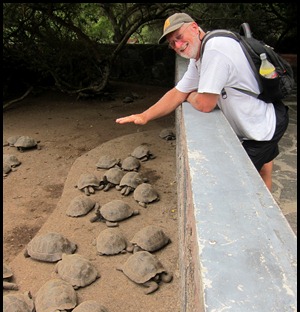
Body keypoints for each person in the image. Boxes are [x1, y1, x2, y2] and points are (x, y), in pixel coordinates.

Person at [116, 13, 289, 191]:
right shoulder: (200, 54)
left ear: (194, 27)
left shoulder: (214, 50)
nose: (177, 45)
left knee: (235, 186)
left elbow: (205, 104)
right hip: (263, 116)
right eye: (171, 43)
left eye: (179, 37)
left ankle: (260, 216)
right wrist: (145, 116)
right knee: (263, 172)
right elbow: (177, 92)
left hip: (262, 129)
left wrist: (190, 95)